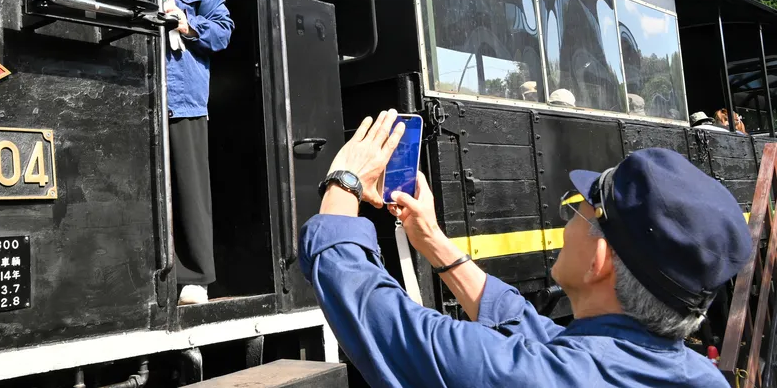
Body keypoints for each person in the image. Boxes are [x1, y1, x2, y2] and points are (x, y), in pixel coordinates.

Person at [302, 109, 753, 388]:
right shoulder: (699, 377)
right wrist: (433, 241)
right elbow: (535, 331)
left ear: (601, 261)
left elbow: (380, 318)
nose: (567, 218)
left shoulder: (527, 377)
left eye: (578, 208)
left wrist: (345, 181)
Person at [159, 0, 234, 306]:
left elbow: (223, 31)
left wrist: (189, 25)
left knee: (189, 188)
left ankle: (195, 278)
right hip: (134, 93)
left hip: (185, 96)